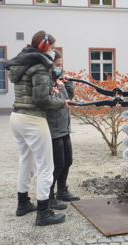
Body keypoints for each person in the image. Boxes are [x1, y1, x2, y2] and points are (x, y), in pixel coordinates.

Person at [5, 31, 70, 226]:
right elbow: (40, 99)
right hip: (33, 119)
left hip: (17, 116)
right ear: (43, 47)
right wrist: (61, 102)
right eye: (51, 48)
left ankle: (23, 203)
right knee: (46, 167)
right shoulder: (40, 66)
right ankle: (44, 213)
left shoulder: (21, 63)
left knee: (26, 161)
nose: (53, 51)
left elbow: (32, 89)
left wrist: (50, 89)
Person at [46, 50, 80, 211]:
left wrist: (67, 83)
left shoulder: (58, 81)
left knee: (68, 161)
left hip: (64, 128)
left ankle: (62, 191)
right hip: (53, 129)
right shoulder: (46, 83)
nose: (60, 68)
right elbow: (48, 102)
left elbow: (69, 99)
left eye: (61, 65)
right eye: (57, 65)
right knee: (57, 164)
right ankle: (49, 196)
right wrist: (54, 88)